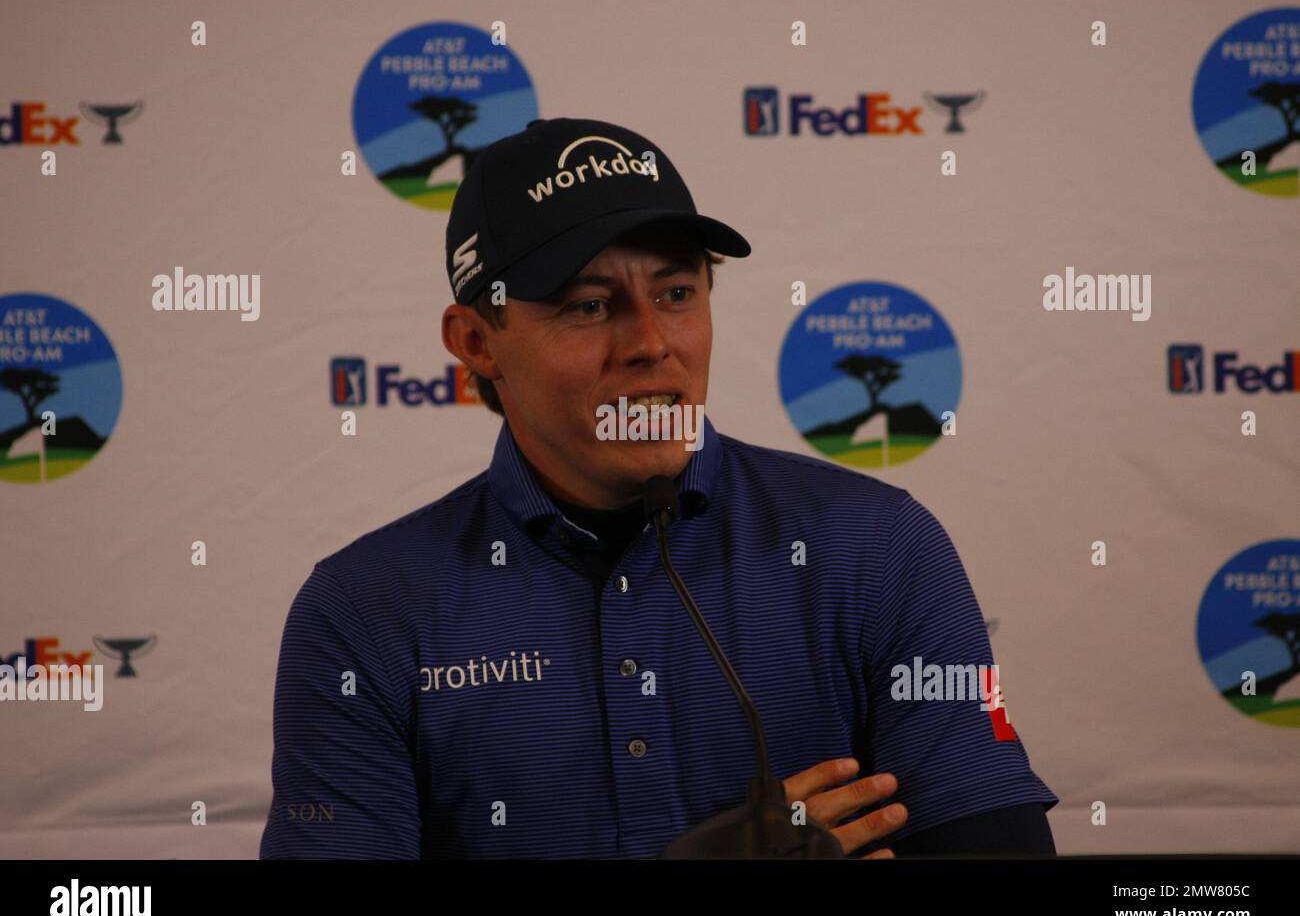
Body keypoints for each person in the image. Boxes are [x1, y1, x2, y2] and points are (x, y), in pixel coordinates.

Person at [260, 117, 1057, 859]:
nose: (650, 343)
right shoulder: (363, 612)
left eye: (677, 294)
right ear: (477, 342)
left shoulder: (880, 547)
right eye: (589, 305)